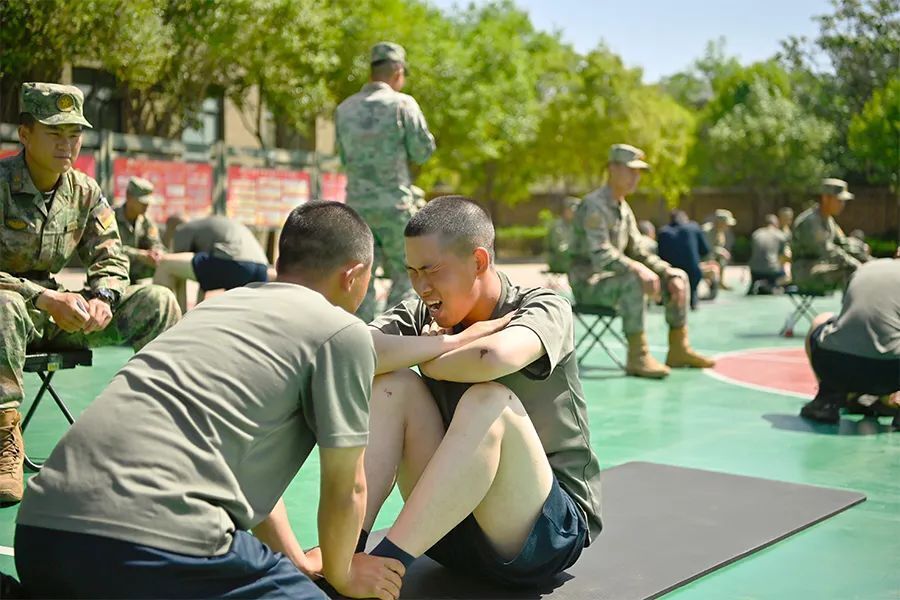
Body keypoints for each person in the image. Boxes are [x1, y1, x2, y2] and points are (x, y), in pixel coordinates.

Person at [14, 202, 407, 600]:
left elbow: (232, 465)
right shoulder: (341, 331)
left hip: (40, 536)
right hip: (152, 546)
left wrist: (295, 560)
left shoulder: (217, 309)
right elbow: (347, 488)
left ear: (281, 259)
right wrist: (342, 575)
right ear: (354, 275)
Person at [357, 196, 601, 589]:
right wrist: (448, 344)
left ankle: (388, 564)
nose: (421, 287)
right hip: (445, 531)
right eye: (413, 272)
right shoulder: (423, 315)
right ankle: (350, 553)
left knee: (488, 400)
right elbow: (356, 352)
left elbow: (494, 357)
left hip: (540, 535)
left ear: (479, 262)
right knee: (393, 385)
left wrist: (428, 358)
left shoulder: (541, 305)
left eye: (432, 271)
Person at [0, 83, 180, 503]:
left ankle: (158, 430)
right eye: (55, 134)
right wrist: (41, 298)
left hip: (60, 315)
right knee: (3, 304)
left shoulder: (84, 191)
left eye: (74, 135)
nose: (67, 145)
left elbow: (112, 260)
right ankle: (4, 437)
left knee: (158, 301)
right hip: (11, 312)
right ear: (25, 135)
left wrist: (104, 298)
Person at [568, 143, 714, 379]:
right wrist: (638, 269)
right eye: (631, 170)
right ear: (613, 169)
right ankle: (638, 356)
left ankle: (678, 348)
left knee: (679, 276)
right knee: (633, 279)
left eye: (639, 172)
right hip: (589, 284)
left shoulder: (623, 208)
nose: (636, 177)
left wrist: (667, 272)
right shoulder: (593, 205)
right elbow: (601, 254)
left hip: (613, 281)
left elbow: (639, 251)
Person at [335, 42, 436, 323]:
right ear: (398, 72)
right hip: (396, 208)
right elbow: (422, 152)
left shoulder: (344, 109)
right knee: (409, 276)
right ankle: (393, 338)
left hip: (357, 211)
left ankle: (361, 342)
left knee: (359, 280)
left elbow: (344, 157)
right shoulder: (403, 104)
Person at [799, 258, 900, 428]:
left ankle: (828, 400)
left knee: (821, 320)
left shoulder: (864, 268)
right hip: (892, 372)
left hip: (836, 366)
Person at [153, 214, 270, 313]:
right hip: (261, 266)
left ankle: (165, 320)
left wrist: (183, 314)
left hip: (234, 261)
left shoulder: (182, 229)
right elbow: (202, 275)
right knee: (241, 313)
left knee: (166, 264)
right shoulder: (206, 226)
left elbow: (180, 275)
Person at [791, 178, 862, 294]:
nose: (842, 204)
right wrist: (856, 264)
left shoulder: (828, 220)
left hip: (819, 269)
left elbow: (844, 243)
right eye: (839, 200)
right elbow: (828, 250)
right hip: (805, 274)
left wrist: (866, 255)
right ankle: (850, 310)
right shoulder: (811, 221)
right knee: (850, 272)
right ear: (825, 198)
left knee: (856, 270)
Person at [657, 210, 711, 310]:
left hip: (672, 273)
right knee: (693, 298)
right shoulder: (693, 227)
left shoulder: (663, 232)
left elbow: (660, 256)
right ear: (686, 219)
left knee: (673, 304)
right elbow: (705, 250)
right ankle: (693, 301)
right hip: (693, 272)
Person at [115, 176, 165, 282]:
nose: (146, 205)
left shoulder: (146, 221)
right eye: (142, 201)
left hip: (138, 275)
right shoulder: (111, 217)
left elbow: (156, 242)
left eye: (147, 202)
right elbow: (108, 249)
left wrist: (157, 252)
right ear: (129, 197)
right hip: (115, 274)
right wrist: (139, 255)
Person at [747, 214, 790, 295]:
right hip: (772, 271)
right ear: (776, 224)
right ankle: (774, 285)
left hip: (755, 270)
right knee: (786, 276)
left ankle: (756, 284)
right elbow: (784, 256)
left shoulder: (756, 234)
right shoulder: (780, 235)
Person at [702, 209, 736, 290]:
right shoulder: (707, 230)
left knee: (722, 259)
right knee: (712, 258)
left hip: (713, 255)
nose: (728, 226)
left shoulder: (720, 232)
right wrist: (721, 251)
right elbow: (706, 248)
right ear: (720, 222)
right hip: (703, 255)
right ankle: (709, 281)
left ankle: (720, 282)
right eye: (726, 224)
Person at [545, 196, 580, 273]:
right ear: (566, 210)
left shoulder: (576, 226)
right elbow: (560, 249)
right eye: (573, 211)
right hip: (558, 261)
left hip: (572, 260)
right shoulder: (557, 226)